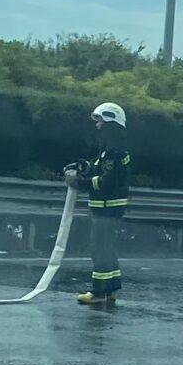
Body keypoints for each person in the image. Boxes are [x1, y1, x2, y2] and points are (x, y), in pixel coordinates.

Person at [65, 102, 130, 306]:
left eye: (100, 121)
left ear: (110, 123)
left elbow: (106, 181)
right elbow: (98, 169)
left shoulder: (114, 151)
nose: (97, 125)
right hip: (108, 208)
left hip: (107, 208)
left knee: (99, 249)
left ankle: (99, 292)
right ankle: (111, 289)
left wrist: (80, 183)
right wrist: (83, 166)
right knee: (107, 248)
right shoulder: (110, 150)